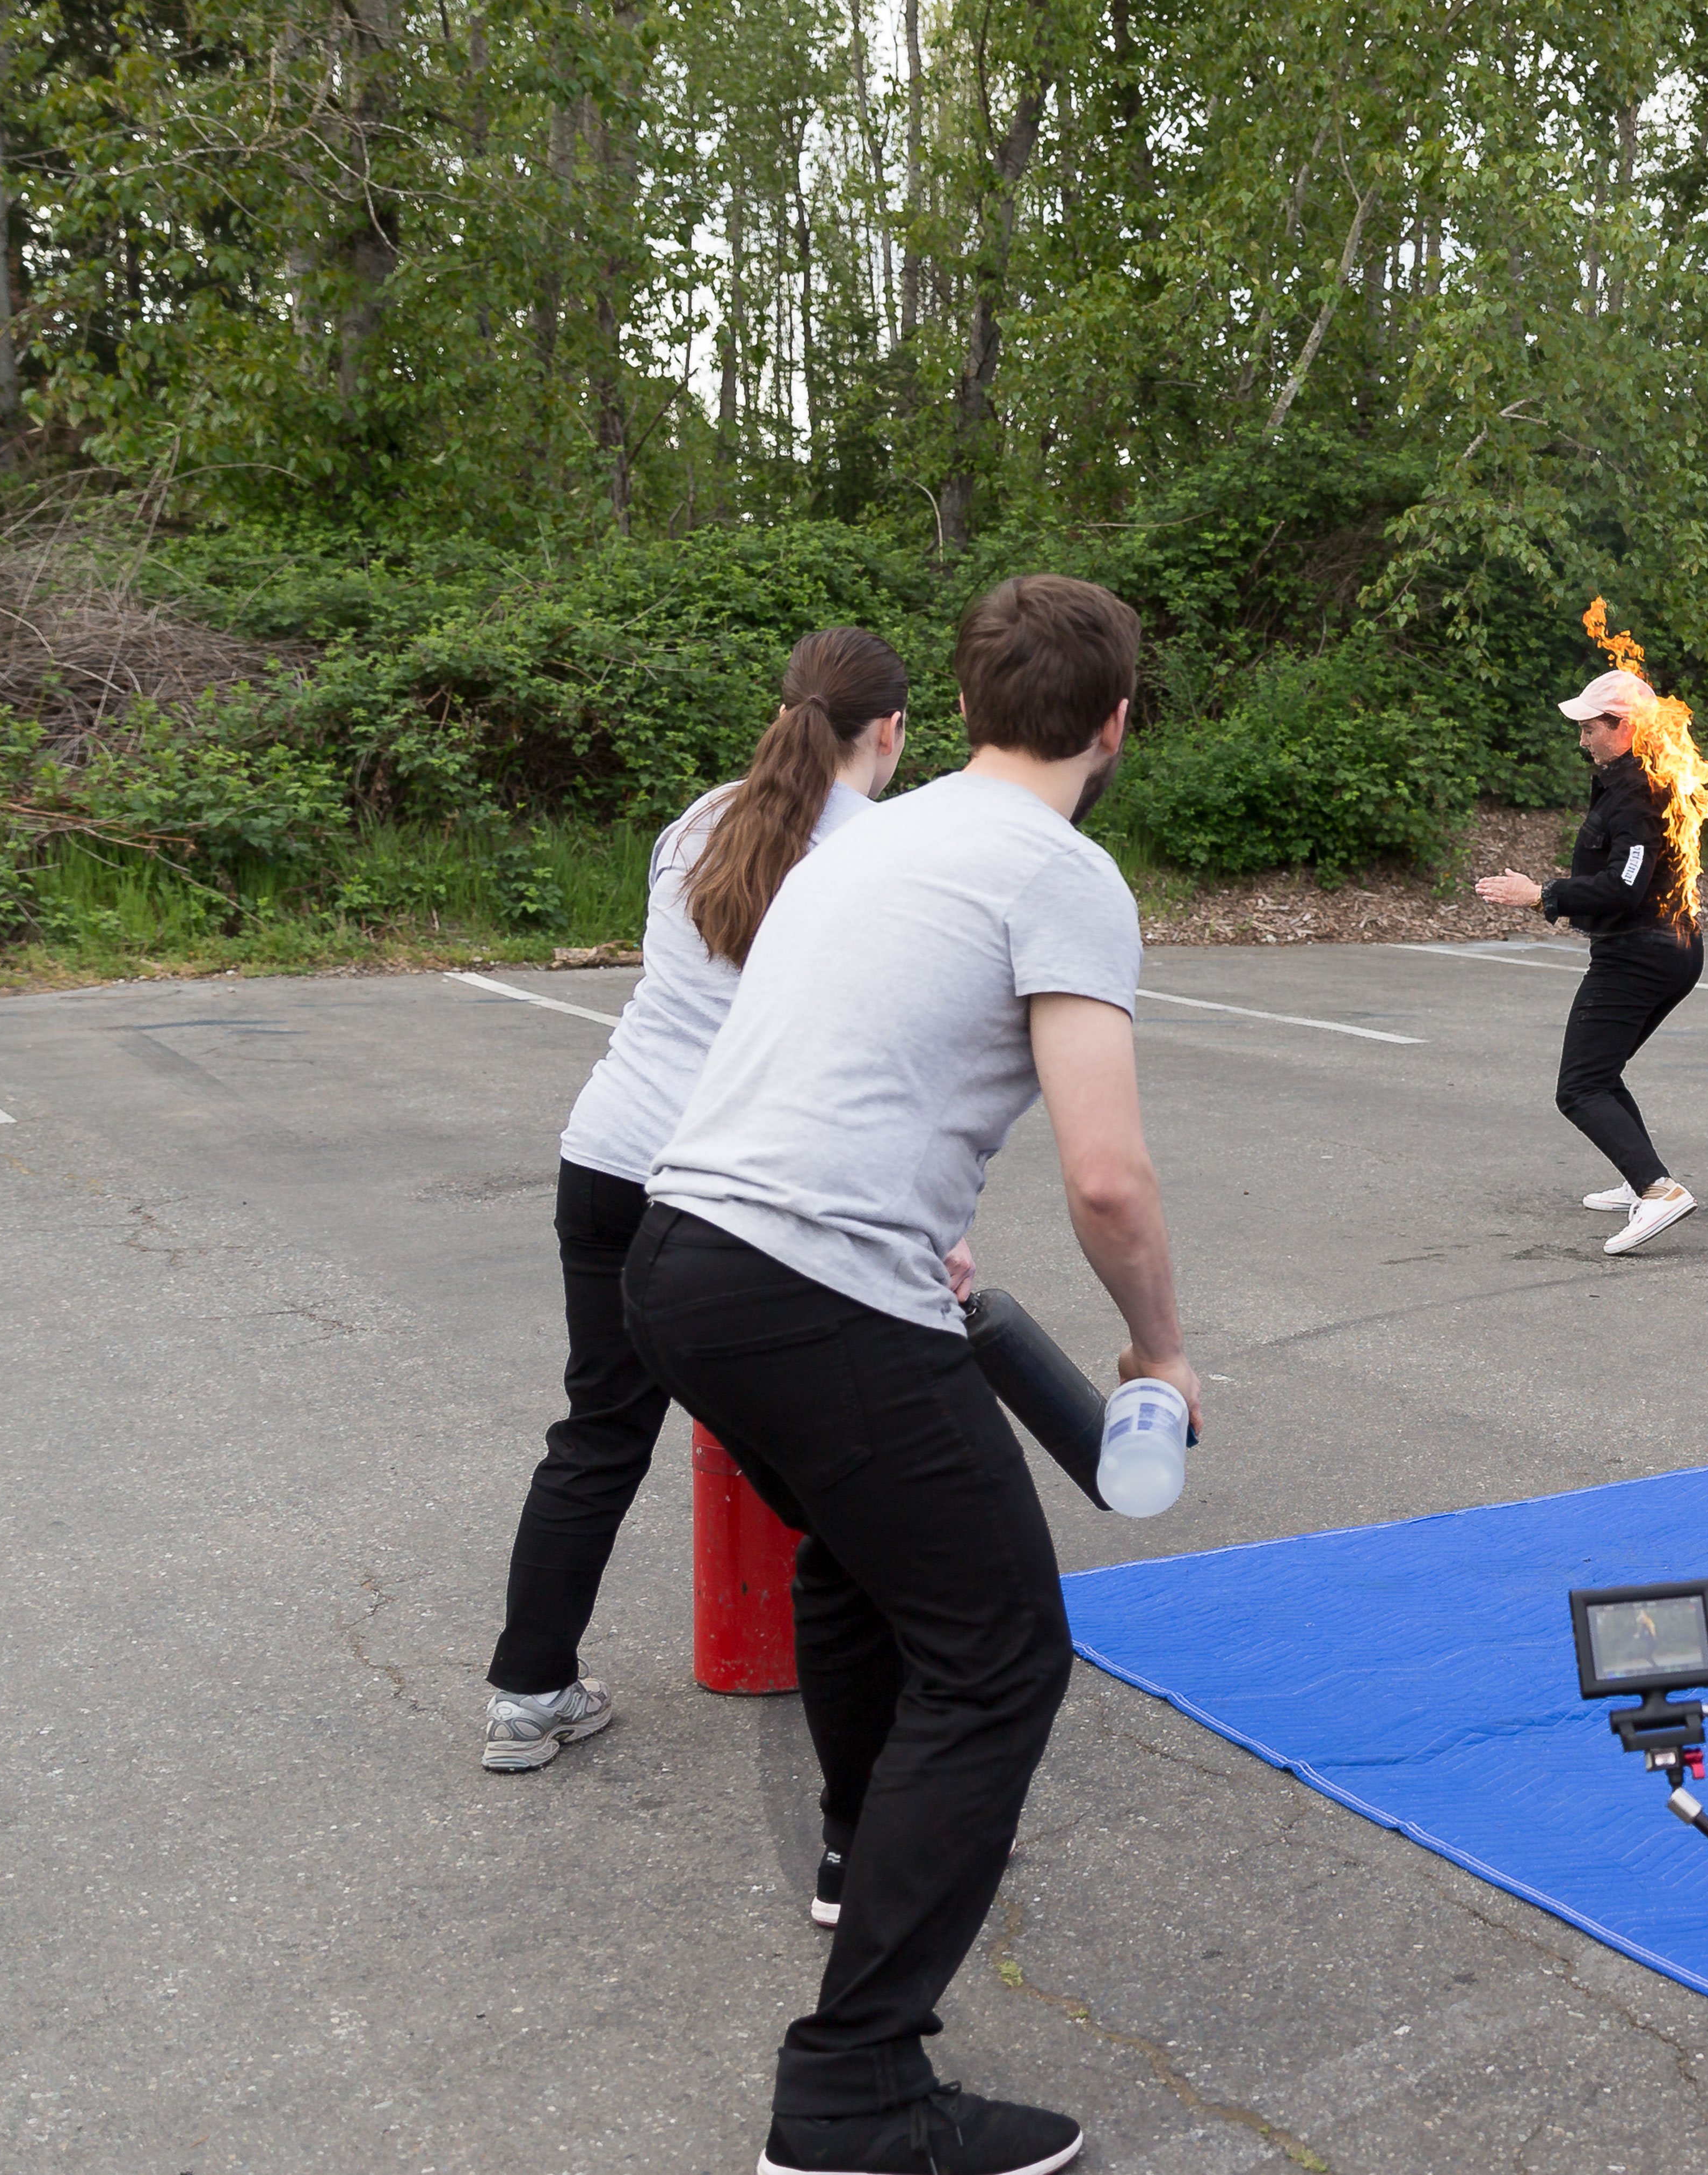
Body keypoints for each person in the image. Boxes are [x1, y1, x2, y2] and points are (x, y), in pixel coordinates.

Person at [631, 573, 1195, 2175]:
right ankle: (852, 2093)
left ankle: (859, 1853)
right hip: (808, 1284)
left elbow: (831, 1059)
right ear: (1116, 723)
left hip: (686, 1260)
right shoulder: (1063, 872)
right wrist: (1158, 1348)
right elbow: (1107, 1178)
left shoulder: (869, 841)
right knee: (1005, 1653)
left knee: (877, 1580)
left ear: (958, 710)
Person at [478, 630, 917, 1780]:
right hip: (733, 1194)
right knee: (842, 1455)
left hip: (609, 1155)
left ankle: (529, 1695)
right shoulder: (878, 849)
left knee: (598, 1435)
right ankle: (896, 1742)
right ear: (892, 733)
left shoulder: (702, 818)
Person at [1473, 661, 1708, 1256]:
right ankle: (1639, 1175)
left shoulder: (1637, 795)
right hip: (1669, 948)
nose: (1582, 738)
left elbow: (1625, 887)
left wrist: (1543, 894)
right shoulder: (1630, 781)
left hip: (1642, 953)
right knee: (1602, 1074)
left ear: (1626, 727)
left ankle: (1659, 1190)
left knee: (1580, 1086)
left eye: (1591, 727)